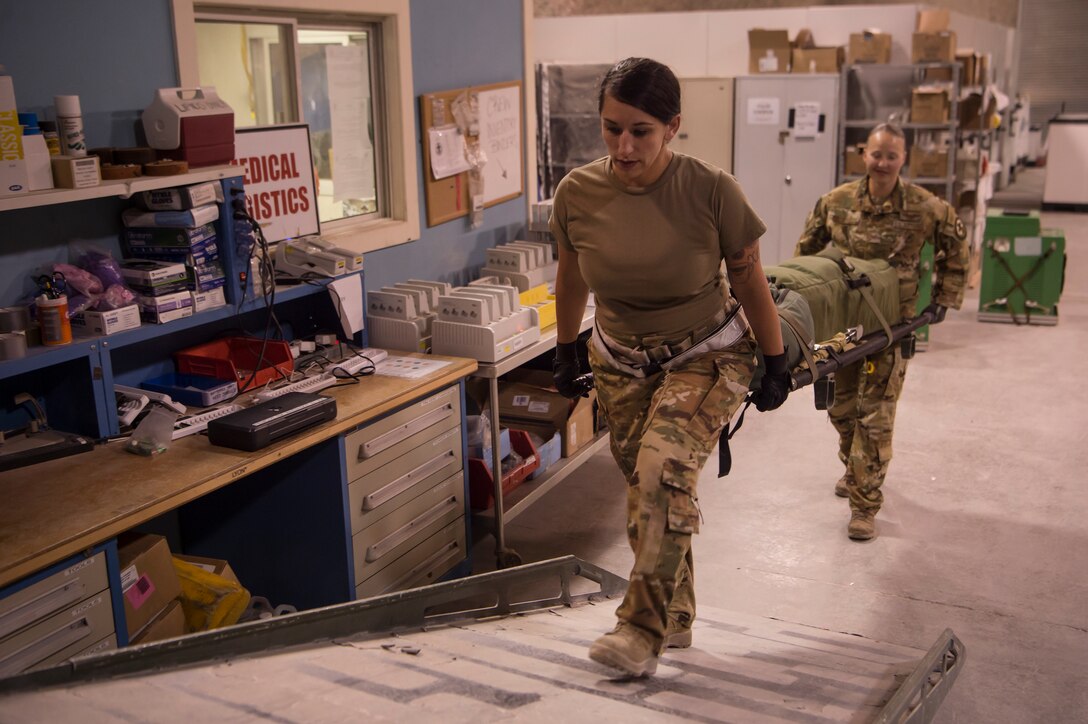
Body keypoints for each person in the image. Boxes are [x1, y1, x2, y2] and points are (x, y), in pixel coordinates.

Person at [550, 57, 791, 678]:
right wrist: (567, 348)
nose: (624, 147)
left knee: (662, 473)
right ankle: (676, 615)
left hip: (706, 353)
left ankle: (639, 629)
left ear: (673, 127)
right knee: (645, 488)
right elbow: (571, 277)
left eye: (641, 132)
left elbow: (750, 278)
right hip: (619, 360)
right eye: (612, 129)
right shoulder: (577, 193)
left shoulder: (711, 190)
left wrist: (774, 360)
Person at [795, 122, 968, 541]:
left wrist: (943, 297)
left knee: (875, 416)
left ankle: (864, 505)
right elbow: (806, 254)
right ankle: (855, 469)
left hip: (893, 327)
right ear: (864, 155)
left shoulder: (924, 206)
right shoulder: (835, 202)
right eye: (876, 154)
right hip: (845, 329)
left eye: (892, 155)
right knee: (841, 410)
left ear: (903, 158)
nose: (883, 163)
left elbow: (956, 247)